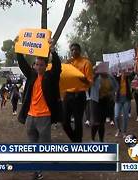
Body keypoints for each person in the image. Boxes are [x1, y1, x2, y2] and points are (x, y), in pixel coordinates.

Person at [16, 39, 61, 180]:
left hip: (44, 117)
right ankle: (37, 171)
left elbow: (58, 67)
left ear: (45, 66)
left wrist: (53, 50)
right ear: (34, 66)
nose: (39, 67)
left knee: (45, 144)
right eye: (36, 64)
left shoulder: (50, 76)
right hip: (30, 117)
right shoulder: (32, 76)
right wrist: (18, 48)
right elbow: (22, 63)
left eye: (42, 65)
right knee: (32, 145)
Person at [63, 43, 93, 142]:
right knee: (64, 121)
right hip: (68, 95)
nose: (74, 51)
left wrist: (80, 76)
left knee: (78, 121)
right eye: (72, 50)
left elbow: (90, 82)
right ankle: (75, 140)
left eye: (76, 49)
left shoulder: (86, 63)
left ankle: (78, 143)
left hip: (79, 96)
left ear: (79, 50)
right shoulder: (68, 63)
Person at [89, 65, 118, 142]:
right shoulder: (95, 77)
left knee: (102, 123)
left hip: (105, 101)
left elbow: (116, 87)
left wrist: (110, 93)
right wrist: (94, 73)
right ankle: (92, 138)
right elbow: (89, 83)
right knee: (96, 122)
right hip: (95, 101)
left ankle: (101, 140)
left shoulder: (110, 77)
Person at [114, 71, 132, 138]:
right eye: (122, 71)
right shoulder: (117, 78)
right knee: (116, 116)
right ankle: (118, 129)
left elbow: (133, 73)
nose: (123, 73)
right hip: (118, 99)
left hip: (126, 99)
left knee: (125, 116)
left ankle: (124, 132)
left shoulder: (128, 78)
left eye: (124, 71)